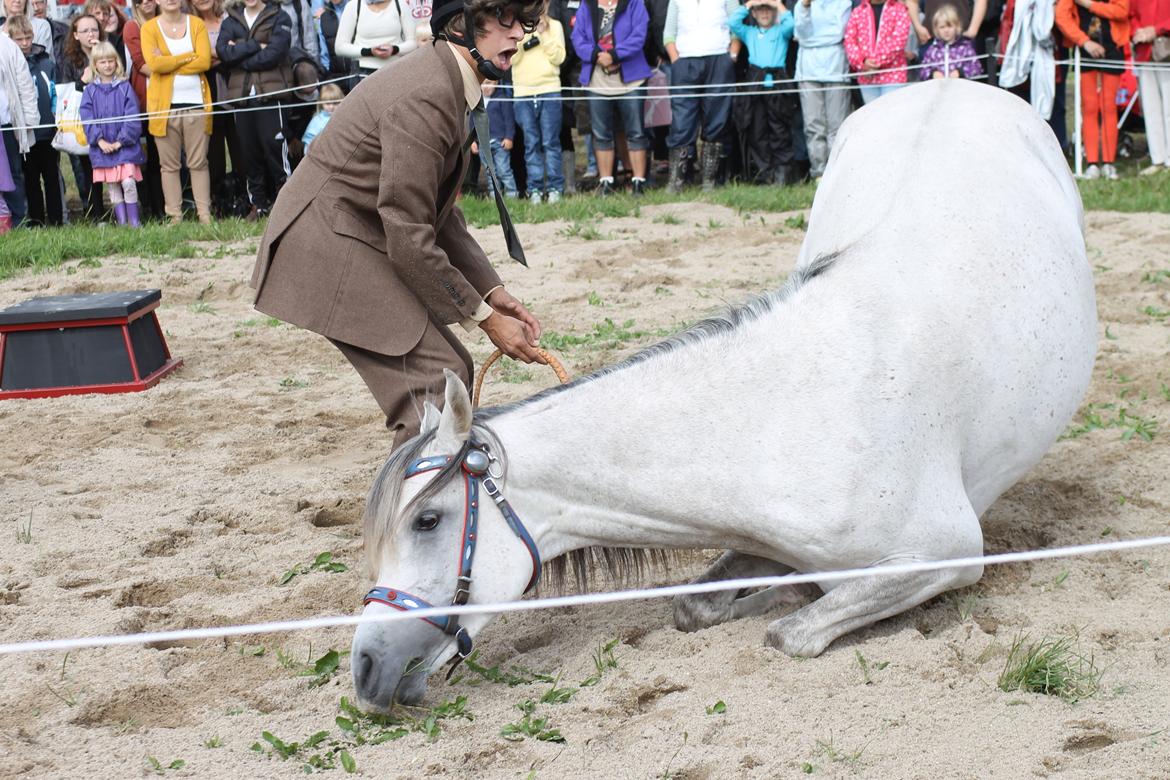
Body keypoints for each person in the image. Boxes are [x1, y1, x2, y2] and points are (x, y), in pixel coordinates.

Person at [250, 0, 547, 448]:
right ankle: (411, 516)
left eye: (522, 23)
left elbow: (437, 214)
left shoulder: (445, 79)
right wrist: (484, 319)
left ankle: (428, 509)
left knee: (450, 374)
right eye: (503, 20)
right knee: (433, 387)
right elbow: (409, 229)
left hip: (356, 231)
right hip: (328, 241)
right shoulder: (427, 92)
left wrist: (490, 291)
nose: (517, 34)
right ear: (461, 25)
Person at [217, 0, 294, 217]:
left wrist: (240, 56)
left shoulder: (280, 16)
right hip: (241, 97)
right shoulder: (230, 19)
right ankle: (257, 204)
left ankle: (286, 201)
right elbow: (223, 53)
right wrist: (254, 46)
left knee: (274, 147)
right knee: (248, 152)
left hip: (270, 94)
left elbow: (276, 53)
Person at [142, 0, 214, 222]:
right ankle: (175, 216)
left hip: (196, 104)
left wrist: (169, 62)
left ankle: (205, 215)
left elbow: (204, 61)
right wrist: (187, 56)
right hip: (164, 108)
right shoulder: (149, 28)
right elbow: (154, 64)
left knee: (199, 162)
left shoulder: (197, 24)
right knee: (169, 165)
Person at [572, 0, 652, 196]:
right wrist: (596, 55)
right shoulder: (587, 5)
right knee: (601, 133)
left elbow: (639, 35)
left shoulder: (635, 3)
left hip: (631, 79)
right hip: (597, 80)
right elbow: (577, 37)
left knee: (636, 132)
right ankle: (606, 182)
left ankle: (638, 182)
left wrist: (615, 55)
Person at [662, 0, 739, 192]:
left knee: (717, 120)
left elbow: (737, 26)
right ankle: (676, 182)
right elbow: (668, 33)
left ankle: (709, 182)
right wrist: (676, 60)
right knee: (682, 121)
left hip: (719, 58)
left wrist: (732, 56)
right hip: (685, 61)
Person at [1056, 0, 1129, 179]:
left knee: (1108, 106)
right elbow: (1061, 15)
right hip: (1086, 51)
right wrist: (1084, 42)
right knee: (1089, 107)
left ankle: (1109, 163)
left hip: (1113, 49)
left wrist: (1089, 5)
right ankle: (1092, 163)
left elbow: (1121, 11)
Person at [728, 0, 795, 184]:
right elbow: (733, 22)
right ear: (754, 15)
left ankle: (782, 174)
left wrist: (776, 3)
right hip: (755, 89)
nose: (765, 14)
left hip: (777, 87)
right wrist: (750, 4)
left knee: (779, 131)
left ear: (774, 13)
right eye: (760, 11)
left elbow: (791, 24)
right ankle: (765, 173)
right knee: (757, 131)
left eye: (768, 11)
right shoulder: (749, 33)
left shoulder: (780, 31)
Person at [79, 41, 146, 226]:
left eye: (111, 61)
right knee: (113, 186)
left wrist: (120, 142)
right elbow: (87, 118)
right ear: (95, 65)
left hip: (124, 148)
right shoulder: (90, 92)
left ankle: (134, 222)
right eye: (102, 62)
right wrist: (99, 141)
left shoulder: (125, 88)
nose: (107, 65)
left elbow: (132, 117)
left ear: (116, 62)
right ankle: (122, 222)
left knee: (128, 183)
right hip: (102, 149)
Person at [6, 13, 63, 225]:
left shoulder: (47, 62)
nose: (25, 43)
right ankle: (37, 221)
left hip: (47, 131)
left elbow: (55, 93)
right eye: (19, 39)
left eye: (28, 38)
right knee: (31, 180)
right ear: (10, 40)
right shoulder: (9, 64)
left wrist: (57, 120)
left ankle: (57, 222)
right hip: (25, 134)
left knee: (52, 178)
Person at [793, 0, 851, 180]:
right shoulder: (801, 4)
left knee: (837, 124)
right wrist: (806, 7)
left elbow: (838, 33)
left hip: (835, 68)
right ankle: (818, 173)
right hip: (808, 71)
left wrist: (811, 38)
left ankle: (837, 173)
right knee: (814, 125)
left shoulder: (844, 2)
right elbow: (800, 33)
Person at [512, 7, 565, 202]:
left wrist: (543, 34)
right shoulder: (515, 26)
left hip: (550, 89)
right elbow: (512, 59)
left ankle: (555, 188)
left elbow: (559, 58)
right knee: (531, 144)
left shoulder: (555, 26)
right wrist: (526, 34)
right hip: (523, 92)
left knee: (550, 142)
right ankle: (534, 188)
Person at [59, 13, 107, 220]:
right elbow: (66, 92)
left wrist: (100, 55)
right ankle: (94, 213)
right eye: (85, 30)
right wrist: (83, 81)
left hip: (107, 116)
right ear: (76, 35)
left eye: (94, 29)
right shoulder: (69, 60)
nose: (90, 34)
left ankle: (124, 209)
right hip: (82, 121)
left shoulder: (108, 53)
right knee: (86, 169)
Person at [124, 0, 165, 220]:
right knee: (151, 158)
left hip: (173, 98)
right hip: (147, 101)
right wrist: (170, 68)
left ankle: (172, 205)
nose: (146, 2)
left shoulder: (170, 21)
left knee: (171, 157)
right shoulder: (133, 26)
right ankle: (153, 208)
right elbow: (141, 63)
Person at [843, 0, 912, 103]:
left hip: (893, 75)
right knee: (872, 116)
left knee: (892, 115)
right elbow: (850, 41)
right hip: (867, 77)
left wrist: (874, 63)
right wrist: (862, 62)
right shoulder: (858, 12)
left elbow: (899, 40)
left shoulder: (899, 9)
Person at [1129, 0, 1170, 174]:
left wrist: (1156, 30)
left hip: (1166, 50)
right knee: (1151, 107)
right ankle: (1158, 158)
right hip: (1145, 51)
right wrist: (1139, 32)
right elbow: (1132, 15)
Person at [334, 0, 418, 76]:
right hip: (362, 72)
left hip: (395, 69)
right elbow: (339, 47)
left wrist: (394, 49)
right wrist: (369, 51)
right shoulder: (353, 6)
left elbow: (413, 42)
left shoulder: (400, 4)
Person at [470, 77, 519, 196]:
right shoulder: (476, 101)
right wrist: (472, 141)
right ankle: (495, 196)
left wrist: (509, 137)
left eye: (490, 83)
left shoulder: (502, 98)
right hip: (483, 144)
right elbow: (472, 123)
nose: (487, 87)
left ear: (496, 83)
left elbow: (509, 120)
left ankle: (512, 194)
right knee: (490, 172)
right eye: (484, 84)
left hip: (500, 142)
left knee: (503, 170)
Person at [918, 3, 984, 78]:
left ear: (957, 26)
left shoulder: (965, 47)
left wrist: (960, 72)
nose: (946, 30)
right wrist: (933, 74)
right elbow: (923, 70)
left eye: (949, 26)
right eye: (942, 27)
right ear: (936, 29)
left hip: (960, 87)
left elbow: (977, 68)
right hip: (939, 87)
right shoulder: (933, 50)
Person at [301, 80, 343, 151]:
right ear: (322, 103)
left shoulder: (344, 117)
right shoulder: (317, 120)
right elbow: (309, 143)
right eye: (328, 103)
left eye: (335, 103)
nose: (331, 107)